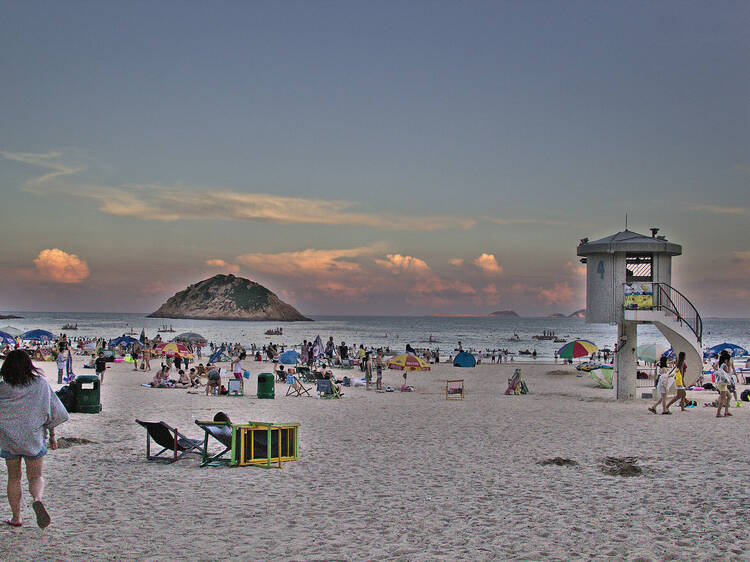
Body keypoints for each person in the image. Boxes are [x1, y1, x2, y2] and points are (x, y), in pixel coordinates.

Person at [0, 350, 69, 528]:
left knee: (14, 477)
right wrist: (52, 436)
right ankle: (37, 499)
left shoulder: (3, 387)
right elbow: (52, 412)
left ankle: (16, 518)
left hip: (10, 440)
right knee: (36, 477)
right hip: (34, 438)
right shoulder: (40, 384)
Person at [714, 352, 732, 418]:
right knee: (722, 398)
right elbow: (728, 372)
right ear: (726, 359)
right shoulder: (724, 365)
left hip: (720, 383)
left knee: (729, 396)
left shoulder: (720, 364)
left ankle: (726, 411)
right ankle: (718, 413)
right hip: (723, 383)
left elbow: (714, 367)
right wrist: (729, 366)